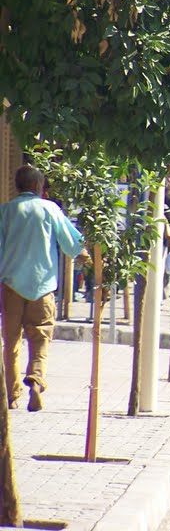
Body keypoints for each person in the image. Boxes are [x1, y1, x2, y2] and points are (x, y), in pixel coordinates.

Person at [0, 165, 84, 411]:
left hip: (11, 285)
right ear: (38, 187)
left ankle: (11, 395)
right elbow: (72, 244)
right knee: (40, 338)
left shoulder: (6, 212)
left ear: (18, 186)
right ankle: (36, 379)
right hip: (42, 286)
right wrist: (87, 256)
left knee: (11, 341)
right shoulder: (50, 209)